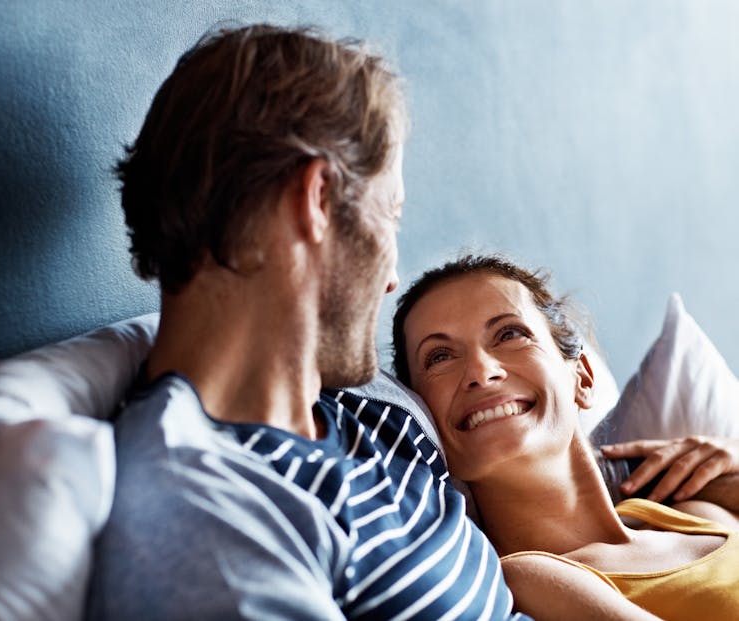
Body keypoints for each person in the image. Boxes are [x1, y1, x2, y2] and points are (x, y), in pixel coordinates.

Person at [85, 24, 663, 621]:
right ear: (315, 200)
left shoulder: (370, 403)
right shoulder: (208, 509)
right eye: (391, 215)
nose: (392, 280)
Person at [392, 253, 739, 620]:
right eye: (439, 357)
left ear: (583, 379)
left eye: (509, 334)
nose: (481, 370)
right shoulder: (530, 579)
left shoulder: (699, 511)